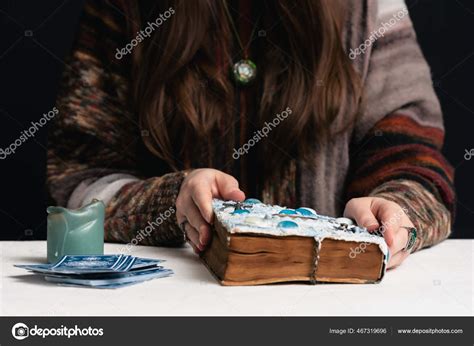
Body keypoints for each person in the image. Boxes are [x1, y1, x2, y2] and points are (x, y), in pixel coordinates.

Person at [48, 0, 454, 269]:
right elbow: (80, 178)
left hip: (328, 310)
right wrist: (173, 202)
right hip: (165, 309)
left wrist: (398, 210)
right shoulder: (126, 8)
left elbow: (411, 161)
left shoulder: (369, 8)